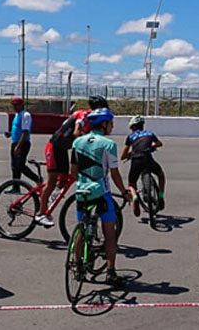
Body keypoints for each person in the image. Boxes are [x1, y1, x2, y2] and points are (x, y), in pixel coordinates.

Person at [71, 108, 134, 286]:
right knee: (109, 233)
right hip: (101, 193)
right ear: (104, 124)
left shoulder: (77, 142)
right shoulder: (108, 144)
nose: (112, 127)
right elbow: (114, 173)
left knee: (80, 231)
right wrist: (124, 192)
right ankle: (111, 271)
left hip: (81, 192)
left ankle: (76, 266)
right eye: (111, 123)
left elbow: (73, 171)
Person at [38, 95, 109, 226]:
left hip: (65, 148)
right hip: (54, 146)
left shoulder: (93, 120)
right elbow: (77, 133)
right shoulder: (83, 115)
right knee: (53, 180)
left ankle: (53, 194)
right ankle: (41, 213)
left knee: (68, 177)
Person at [121, 115, 164, 214]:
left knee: (131, 184)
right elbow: (159, 143)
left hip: (136, 160)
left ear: (132, 127)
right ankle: (161, 196)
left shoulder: (130, 137)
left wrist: (130, 154)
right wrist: (151, 146)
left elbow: (123, 156)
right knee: (161, 175)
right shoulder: (150, 133)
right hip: (147, 158)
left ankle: (135, 197)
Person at [5, 96, 39, 186]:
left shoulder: (25, 115)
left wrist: (18, 146)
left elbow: (25, 132)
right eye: (13, 105)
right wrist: (10, 133)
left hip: (22, 143)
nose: (14, 107)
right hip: (15, 142)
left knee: (20, 165)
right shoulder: (17, 115)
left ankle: (37, 179)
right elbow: (18, 129)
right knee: (14, 166)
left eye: (16, 105)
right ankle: (16, 186)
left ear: (21, 105)